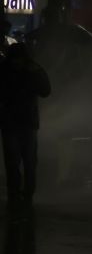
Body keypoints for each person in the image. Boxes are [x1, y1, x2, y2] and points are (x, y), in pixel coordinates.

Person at [0, 44, 51, 213]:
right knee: (21, 161)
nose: (17, 62)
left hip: (20, 123)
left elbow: (45, 91)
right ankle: (20, 194)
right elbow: (45, 91)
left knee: (21, 161)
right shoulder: (24, 71)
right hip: (20, 123)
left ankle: (21, 194)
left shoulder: (16, 70)